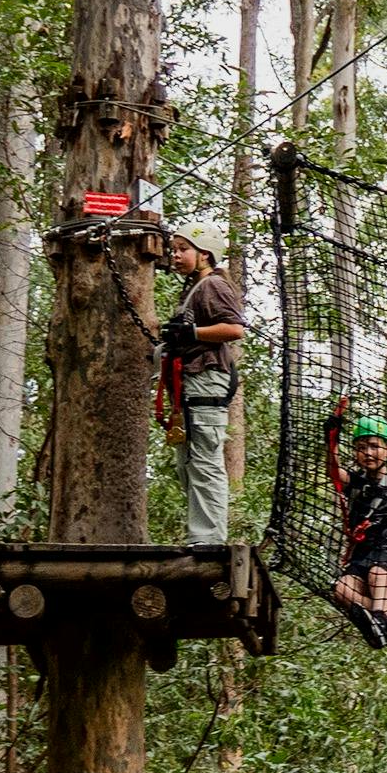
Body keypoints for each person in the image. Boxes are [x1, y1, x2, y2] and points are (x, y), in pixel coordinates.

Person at [159, 232, 249, 546]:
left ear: (205, 254)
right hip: (189, 383)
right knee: (188, 463)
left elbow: (234, 328)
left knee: (204, 460)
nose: (176, 255)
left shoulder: (213, 284)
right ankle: (200, 535)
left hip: (206, 378)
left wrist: (192, 331)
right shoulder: (193, 288)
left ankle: (209, 540)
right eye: (174, 250)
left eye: (183, 249)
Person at [323, 408, 387, 651]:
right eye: (361, 447)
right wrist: (331, 438)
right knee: (342, 589)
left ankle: (380, 623)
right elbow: (334, 471)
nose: (368, 452)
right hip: (364, 548)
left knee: (378, 575)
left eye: (373, 445)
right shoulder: (356, 483)